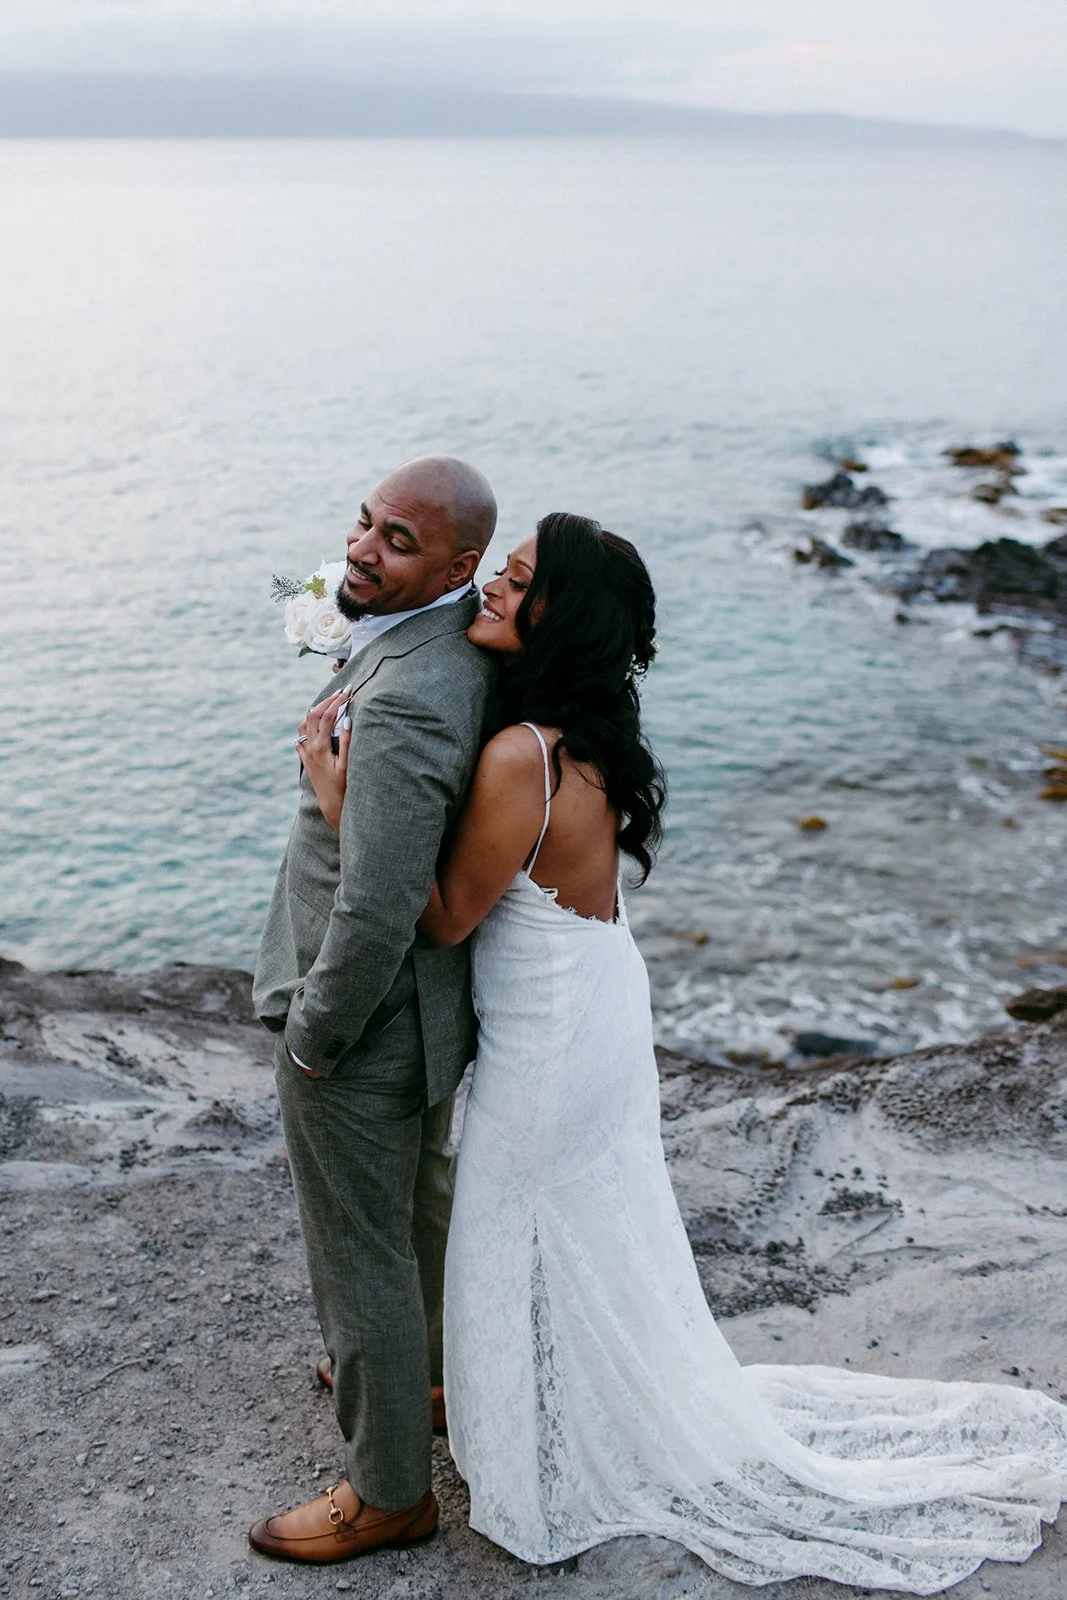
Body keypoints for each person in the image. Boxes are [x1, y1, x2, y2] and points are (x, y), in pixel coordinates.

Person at [298, 511, 1067, 1590]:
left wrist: (342, 800)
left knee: (508, 1229)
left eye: (516, 584)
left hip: (553, 1036)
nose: (493, 594)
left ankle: (527, 1441)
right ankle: (507, 1393)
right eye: (501, 575)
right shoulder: (579, 729)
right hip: (597, 1000)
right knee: (577, 1226)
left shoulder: (524, 754)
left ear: (559, 615)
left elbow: (442, 918)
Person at [248, 455, 497, 1563]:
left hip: (364, 1029)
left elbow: (380, 903)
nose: (360, 548)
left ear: (460, 565)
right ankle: (426, 1382)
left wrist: (313, 1037)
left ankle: (388, 1491)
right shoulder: (452, 647)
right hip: (427, 1018)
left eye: (396, 542)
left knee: (360, 1259)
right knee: (413, 1218)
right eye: (364, 523)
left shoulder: (406, 703)